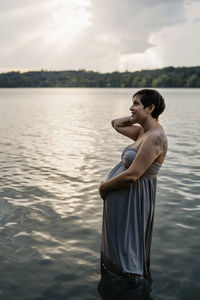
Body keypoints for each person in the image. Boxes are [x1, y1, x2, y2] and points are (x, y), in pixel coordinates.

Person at [98, 89, 168, 299]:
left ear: (150, 108)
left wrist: (105, 187)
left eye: (136, 103)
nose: (131, 107)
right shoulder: (142, 132)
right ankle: (117, 280)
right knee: (120, 243)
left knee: (129, 246)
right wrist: (137, 116)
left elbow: (133, 175)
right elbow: (115, 124)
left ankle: (132, 287)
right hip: (124, 199)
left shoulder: (156, 136)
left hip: (134, 199)